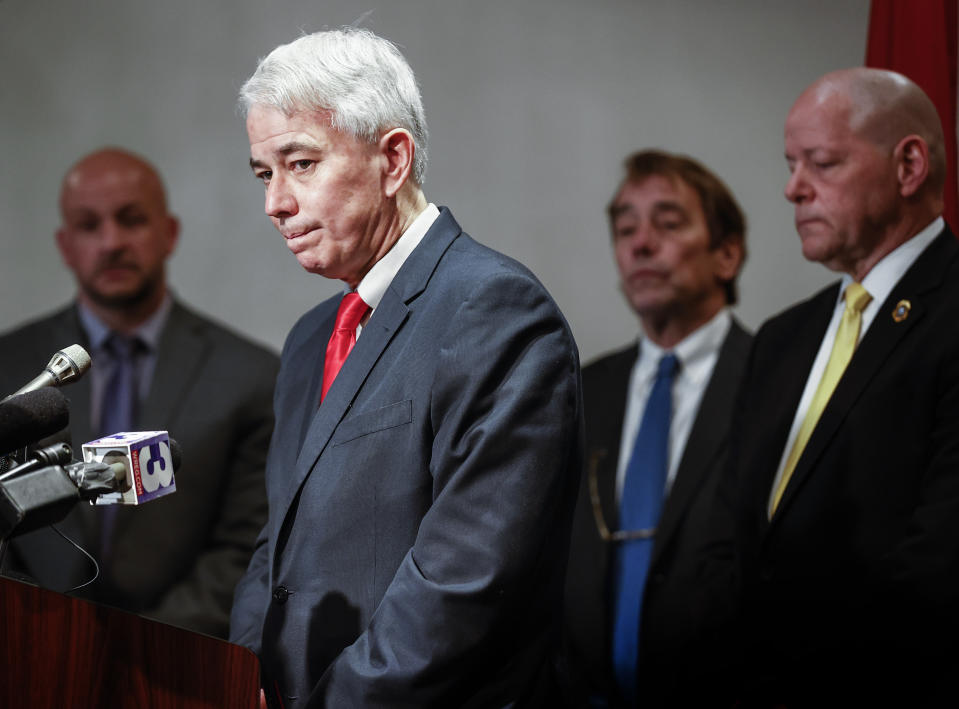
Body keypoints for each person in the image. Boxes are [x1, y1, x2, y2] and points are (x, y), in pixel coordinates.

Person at [227, 27, 583, 708]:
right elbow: (276, 545)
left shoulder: (496, 310)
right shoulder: (310, 339)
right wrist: (244, 679)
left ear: (392, 160)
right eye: (264, 173)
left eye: (300, 164)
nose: (274, 202)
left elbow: (465, 580)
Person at [720, 67, 959, 705]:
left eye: (821, 164)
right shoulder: (780, 339)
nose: (792, 189)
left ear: (909, 166)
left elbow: (938, 563)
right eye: (791, 164)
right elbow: (735, 537)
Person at [0, 147, 279, 639]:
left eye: (131, 220)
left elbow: (247, 547)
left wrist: (142, 648)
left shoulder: (250, 375)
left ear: (168, 233)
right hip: (28, 650)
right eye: (89, 225)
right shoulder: (11, 365)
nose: (111, 242)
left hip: (178, 662)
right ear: (65, 246)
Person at [562, 150, 750, 707]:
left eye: (668, 224)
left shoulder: (774, 380)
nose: (640, 244)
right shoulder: (580, 391)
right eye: (626, 228)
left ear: (726, 254)